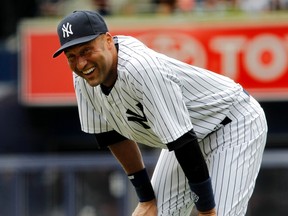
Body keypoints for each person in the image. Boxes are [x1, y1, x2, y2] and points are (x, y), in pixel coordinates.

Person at [53, 10, 268, 216]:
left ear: (108, 41)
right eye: (71, 56)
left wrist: (206, 210)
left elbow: (182, 141)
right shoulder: (83, 78)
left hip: (232, 122)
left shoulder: (140, 68)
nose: (81, 63)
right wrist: (146, 199)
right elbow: (112, 135)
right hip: (188, 135)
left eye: (86, 51)